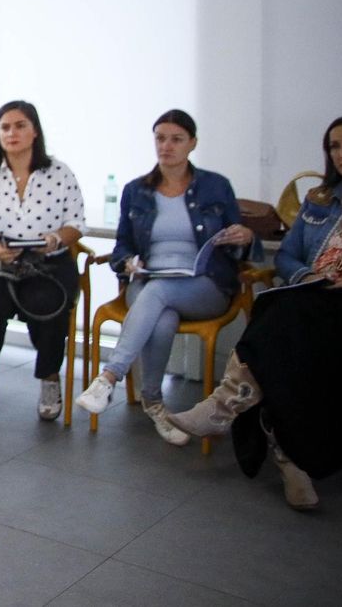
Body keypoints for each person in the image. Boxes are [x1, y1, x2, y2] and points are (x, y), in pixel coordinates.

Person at [168, 113, 342, 510]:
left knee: (287, 318)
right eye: (335, 146)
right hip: (313, 304)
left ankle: (236, 411)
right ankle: (274, 444)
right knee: (285, 307)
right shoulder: (319, 201)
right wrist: (307, 275)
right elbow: (287, 257)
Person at [74, 110, 255, 444]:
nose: (166, 146)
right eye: (160, 138)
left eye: (176, 139)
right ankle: (154, 403)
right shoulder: (136, 191)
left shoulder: (216, 186)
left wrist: (245, 237)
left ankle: (109, 377)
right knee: (163, 316)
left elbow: (240, 245)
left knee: (158, 293)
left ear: (192, 143)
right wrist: (127, 262)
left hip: (205, 285)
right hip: (147, 280)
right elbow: (122, 247)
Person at [0, 100, 85, 424]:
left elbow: (76, 223)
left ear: (35, 132)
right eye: (5, 127)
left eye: (19, 126)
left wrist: (55, 239)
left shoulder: (59, 172)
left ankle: (49, 378)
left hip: (47, 261)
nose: (11, 133)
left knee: (50, 300)